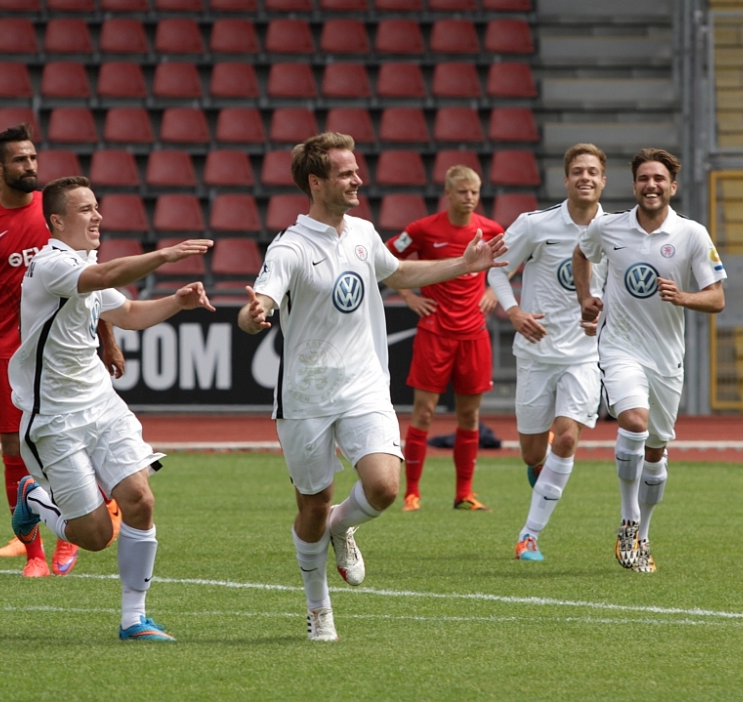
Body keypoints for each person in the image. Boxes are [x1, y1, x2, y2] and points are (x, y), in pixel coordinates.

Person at [237, 132, 507, 641]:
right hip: (306, 395)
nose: (358, 179)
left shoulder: (362, 232)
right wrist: (253, 316)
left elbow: (398, 271)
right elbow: (261, 303)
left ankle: (343, 526)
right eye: (345, 173)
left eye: (356, 170)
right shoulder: (290, 247)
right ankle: (318, 607)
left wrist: (464, 265)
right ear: (316, 183)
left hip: (364, 385)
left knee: (384, 487)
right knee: (312, 506)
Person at [9, 176, 214, 641]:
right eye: (85, 209)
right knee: (96, 536)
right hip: (55, 418)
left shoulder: (85, 263)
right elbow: (103, 279)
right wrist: (164, 255)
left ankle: (133, 619)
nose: (97, 216)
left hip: (103, 405)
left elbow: (130, 315)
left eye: (97, 206)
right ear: (57, 221)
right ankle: (34, 498)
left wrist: (177, 302)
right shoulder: (50, 265)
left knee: (140, 500)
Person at [0, 124, 124, 578]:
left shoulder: (55, 215)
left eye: (33, 157)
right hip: (2, 346)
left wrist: (108, 340)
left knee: (73, 436)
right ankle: (32, 552)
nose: (31, 165)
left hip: (59, 346)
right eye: (20, 159)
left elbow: (92, 280)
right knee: (13, 446)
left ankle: (70, 533)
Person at [573, 148, 726, 573]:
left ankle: (643, 535)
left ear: (672, 186)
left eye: (659, 179)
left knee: (656, 451)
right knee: (633, 422)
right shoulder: (609, 227)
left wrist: (684, 297)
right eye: (644, 178)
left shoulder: (692, 234)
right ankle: (628, 520)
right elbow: (582, 253)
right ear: (635, 185)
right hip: (620, 347)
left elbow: (717, 298)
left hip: (666, 358)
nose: (651, 185)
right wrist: (586, 297)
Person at [486, 143, 609, 562]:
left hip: (584, 354)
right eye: (578, 171)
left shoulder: (615, 230)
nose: (585, 177)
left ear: (603, 180)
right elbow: (497, 270)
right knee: (532, 452)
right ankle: (542, 465)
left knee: (568, 436)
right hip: (537, 353)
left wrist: (604, 319)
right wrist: (514, 311)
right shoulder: (535, 224)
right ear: (566, 179)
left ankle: (529, 536)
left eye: (592, 171)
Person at [386, 165, 505, 513]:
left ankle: (464, 494)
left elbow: (510, 263)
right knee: (423, 412)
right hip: (435, 332)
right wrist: (408, 296)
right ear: (448, 193)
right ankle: (412, 494)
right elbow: (385, 258)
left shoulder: (491, 229)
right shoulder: (423, 229)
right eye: (462, 191)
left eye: (474, 192)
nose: (469, 198)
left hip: (473, 334)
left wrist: (494, 292)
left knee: (470, 415)